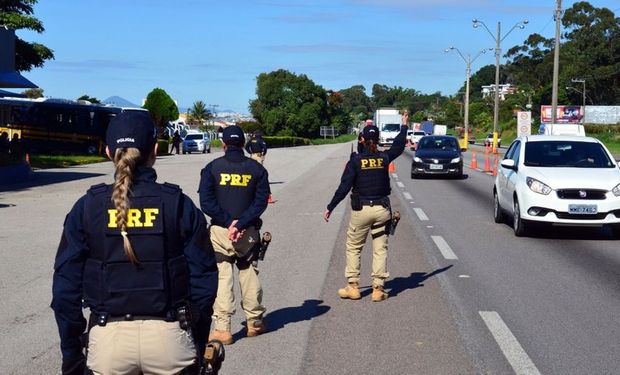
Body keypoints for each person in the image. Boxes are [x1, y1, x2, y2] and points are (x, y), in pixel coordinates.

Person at [51, 111, 219, 375]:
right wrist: (195, 339)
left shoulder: (87, 207)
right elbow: (204, 280)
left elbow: (64, 291)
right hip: (170, 340)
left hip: (108, 345)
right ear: (154, 150)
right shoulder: (177, 204)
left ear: (108, 151)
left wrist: (72, 356)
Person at [323, 111, 408, 302]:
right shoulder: (384, 158)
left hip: (361, 210)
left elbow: (344, 187)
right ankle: (378, 289)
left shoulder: (355, 161)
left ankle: (353, 286)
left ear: (361, 139)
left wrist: (331, 206)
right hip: (382, 210)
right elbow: (398, 146)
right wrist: (403, 126)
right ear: (377, 139)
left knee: (354, 247)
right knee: (380, 249)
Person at [198, 125, 270, 345]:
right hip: (247, 232)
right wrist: (241, 223)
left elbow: (206, 202)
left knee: (222, 276)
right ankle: (254, 322)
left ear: (223, 144)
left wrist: (229, 223)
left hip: (221, 231)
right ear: (243, 144)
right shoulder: (257, 170)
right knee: (249, 274)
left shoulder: (211, 168)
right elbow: (260, 202)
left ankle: (222, 328)